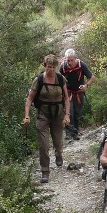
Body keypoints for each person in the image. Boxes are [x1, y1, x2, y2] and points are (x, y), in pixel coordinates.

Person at [23, 54, 70, 184]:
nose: (51, 70)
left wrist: (67, 115)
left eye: (53, 67)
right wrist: (27, 116)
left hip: (58, 115)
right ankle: (45, 171)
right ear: (45, 66)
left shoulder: (61, 79)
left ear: (56, 67)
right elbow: (29, 99)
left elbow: (66, 98)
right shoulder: (38, 80)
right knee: (44, 146)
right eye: (49, 67)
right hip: (42, 115)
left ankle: (59, 154)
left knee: (58, 143)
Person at [59, 48, 94, 140]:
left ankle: (75, 132)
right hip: (68, 94)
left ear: (75, 58)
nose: (70, 62)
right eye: (68, 60)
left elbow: (91, 77)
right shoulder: (63, 67)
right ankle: (69, 133)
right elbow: (58, 79)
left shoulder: (81, 65)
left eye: (71, 60)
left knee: (77, 113)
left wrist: (86, 85)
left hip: (79, 93)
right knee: (69, 112)